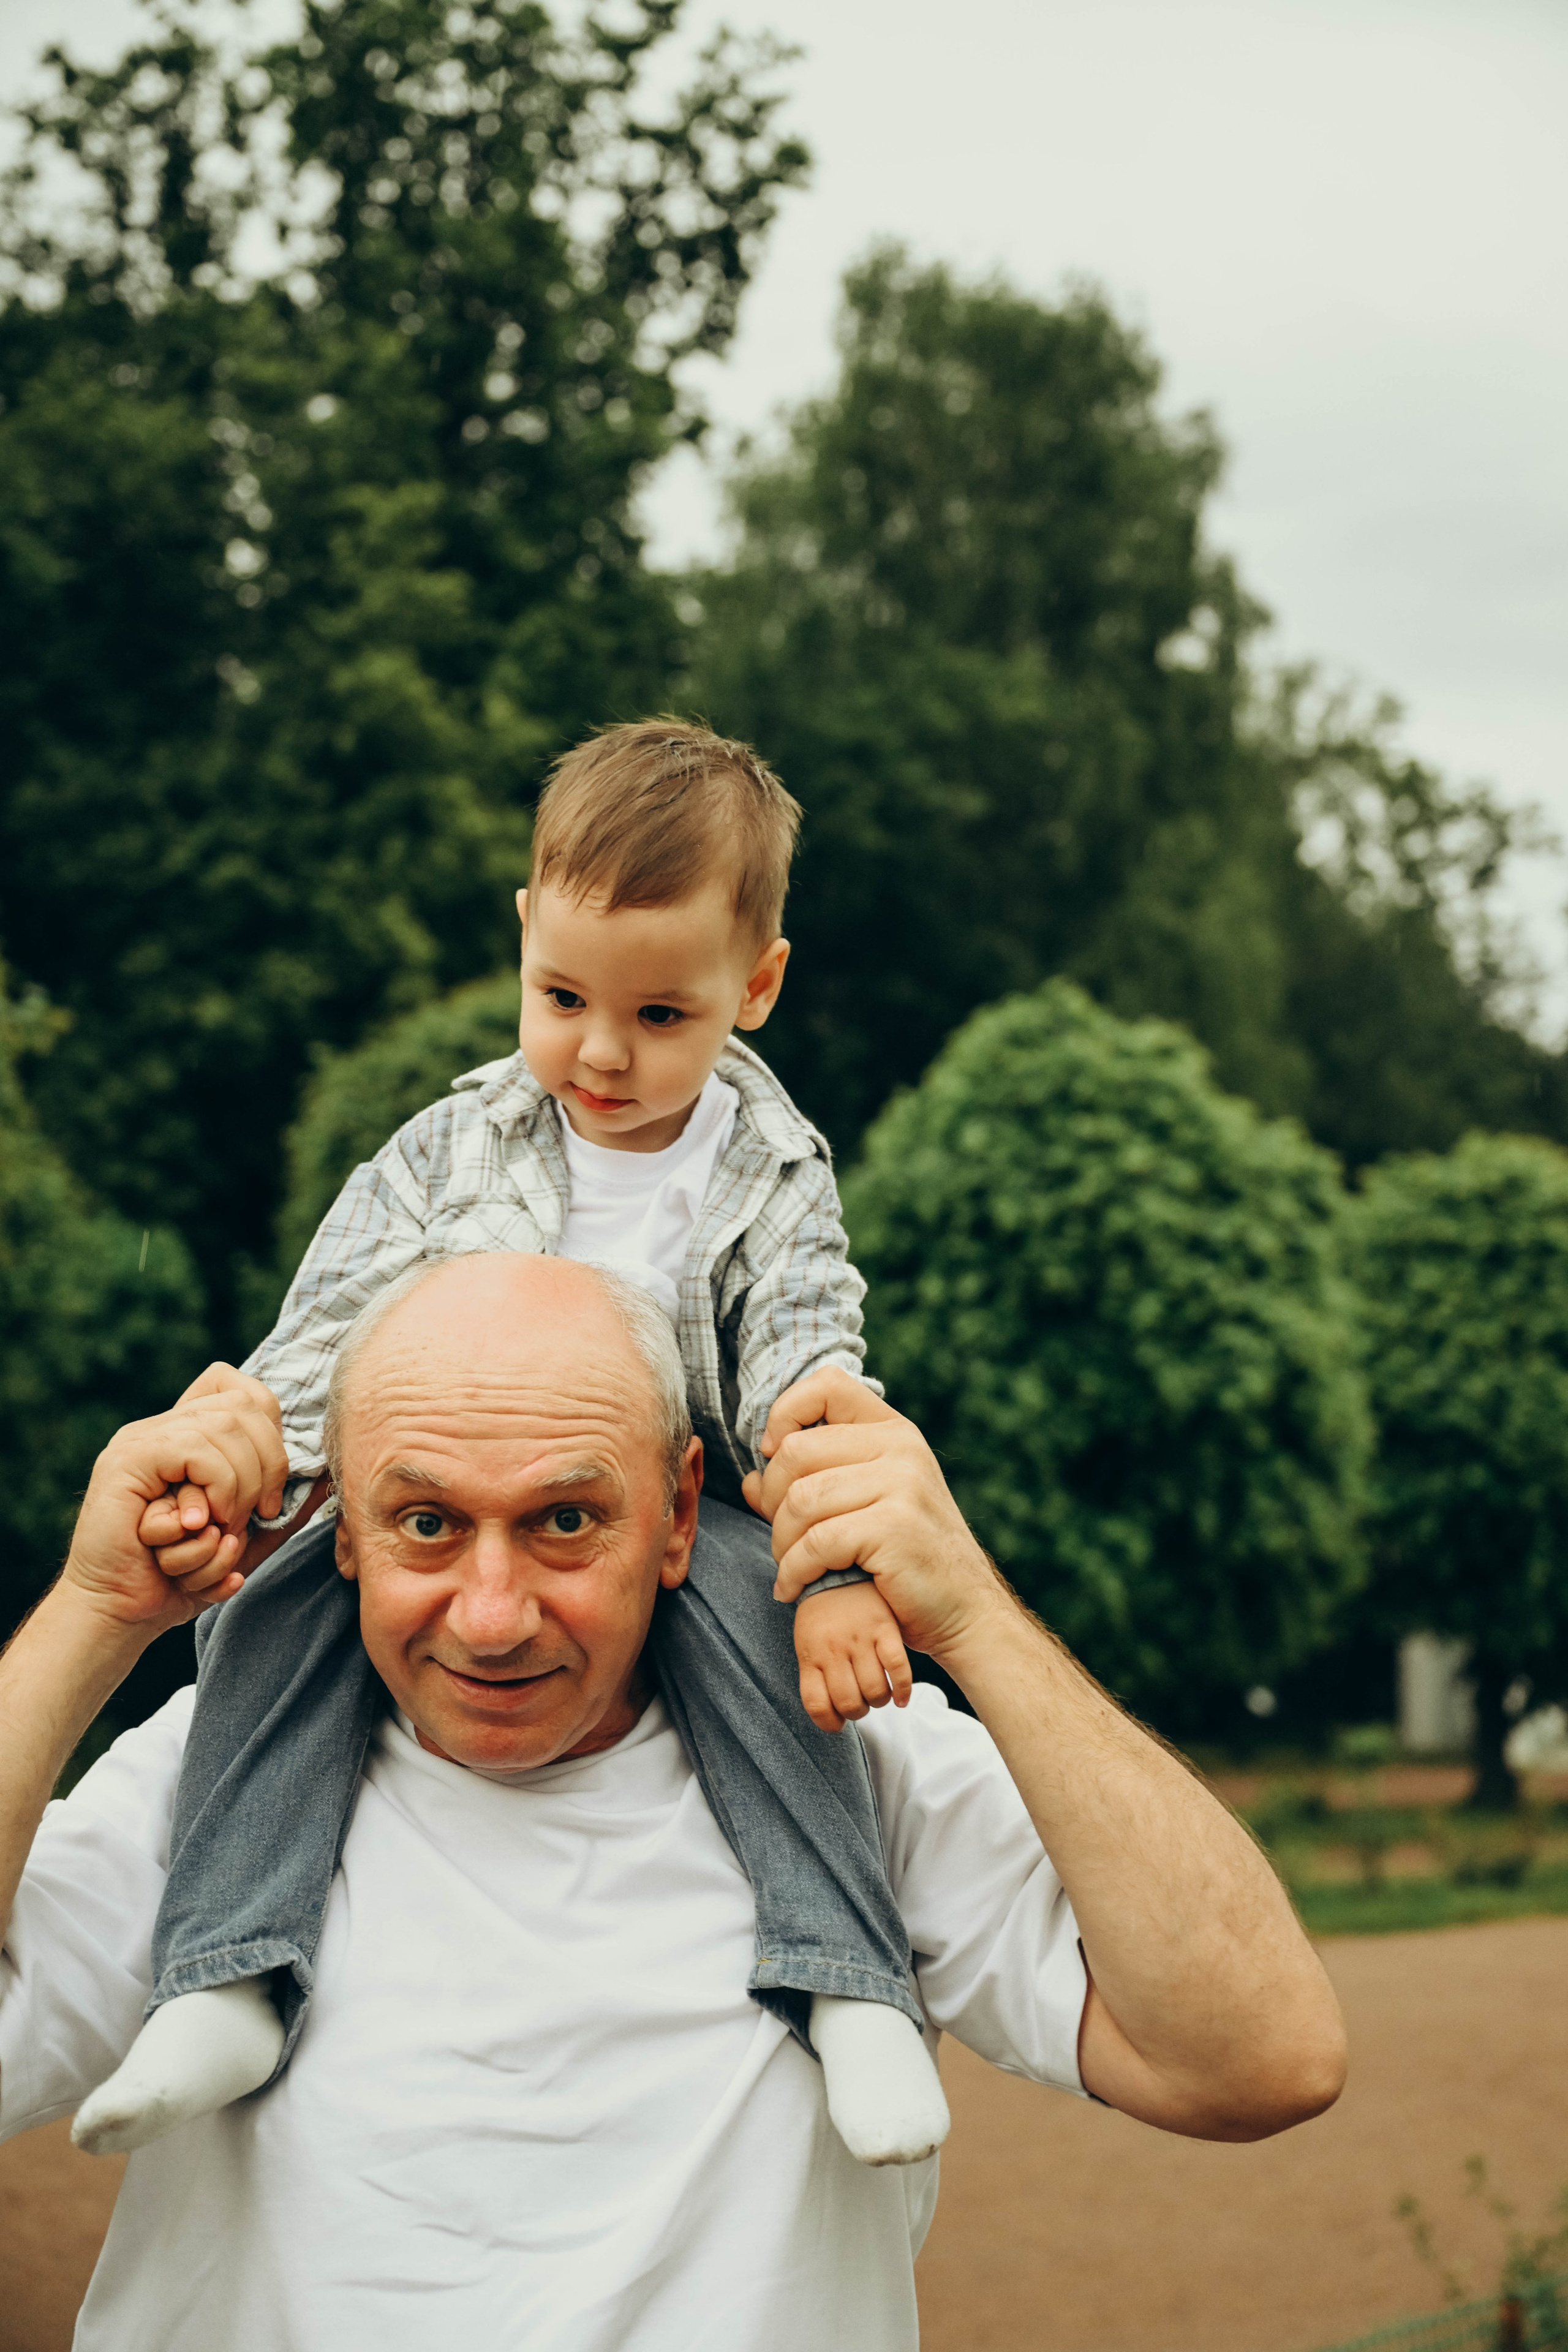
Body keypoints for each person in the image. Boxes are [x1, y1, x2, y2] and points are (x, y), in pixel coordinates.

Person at [0, 1254, 1346, 2352]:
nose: (490, 1611)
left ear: (681, 1510)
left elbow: (1254, 2059)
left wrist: (974, 1615)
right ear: (340, 1527)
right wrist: (92, 1615)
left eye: (565, 1521)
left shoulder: (850, 1759)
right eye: (422, 1523)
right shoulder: (218, 1780)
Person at [74, 718, 946, 2168]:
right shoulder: (450, 1144)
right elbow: (336, 1326)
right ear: (526, 938)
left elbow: (806, 1371)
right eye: (562, 996)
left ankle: (843, 1981)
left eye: (663, 1017)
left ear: (759, 986)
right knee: (275, 1620)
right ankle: (227, 1970)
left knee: (773, 1647)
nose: (600, 1052)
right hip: (451, 1499)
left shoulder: (771, 1170)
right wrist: (256, 1465)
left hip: (684, 1511)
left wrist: (837, 1568)